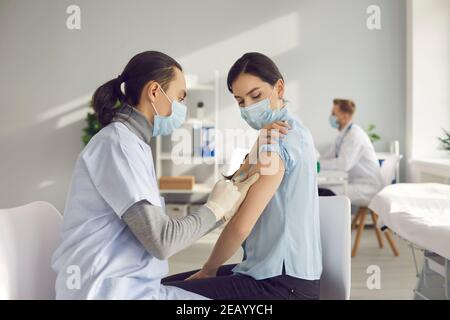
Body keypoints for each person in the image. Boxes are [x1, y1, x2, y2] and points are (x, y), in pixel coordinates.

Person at [51, 51, 260, 300]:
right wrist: (215, 208)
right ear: (153, 92)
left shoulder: (132, 144)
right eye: (180, 98)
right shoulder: (118, 144)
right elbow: (162, 241)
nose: (182, 107)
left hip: (131, 288)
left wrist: (224, 209)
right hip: (107, 292)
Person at [162, 52, 322, 300]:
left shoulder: (277, 141)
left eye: (255, 95)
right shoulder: (291, 132)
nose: (248, 107)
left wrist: (209, 270)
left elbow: (240, 227)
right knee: (163, 286)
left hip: (281, 286)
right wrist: (256, 150)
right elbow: (237, 186)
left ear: (279, 88)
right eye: (240, 101)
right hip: (281, 277)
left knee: (160, 294)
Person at [319, 99, 383, 206]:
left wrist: (317, 164)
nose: (331, 117)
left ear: (345, 116)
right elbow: (329, 156)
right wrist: (315, 161)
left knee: (325, 194)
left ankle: (333, 223)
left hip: (367, 187)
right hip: (354, 182)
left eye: (334, 114)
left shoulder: (355, 135)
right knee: (319, 189)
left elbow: (343, 164)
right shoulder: (343, 135)